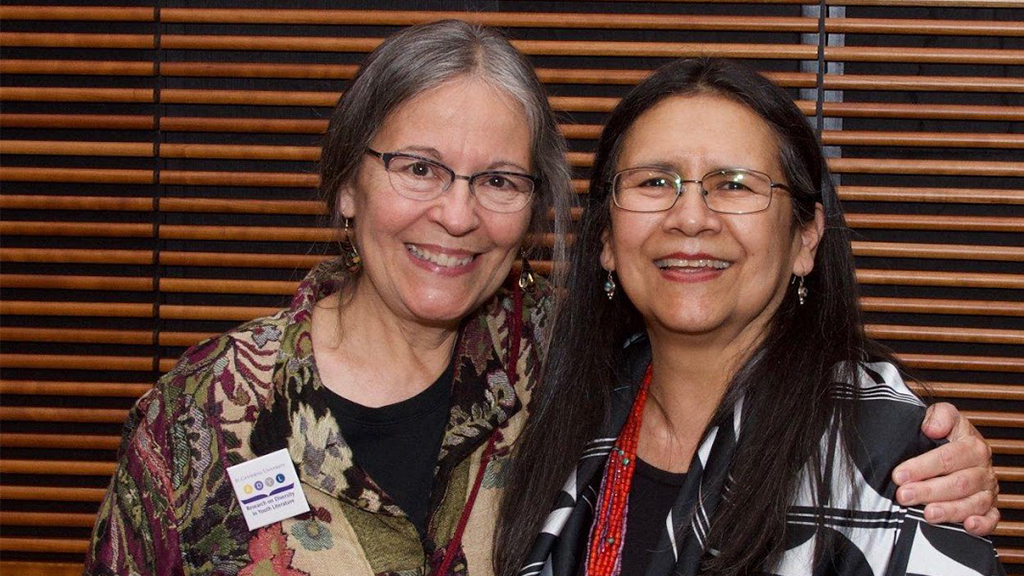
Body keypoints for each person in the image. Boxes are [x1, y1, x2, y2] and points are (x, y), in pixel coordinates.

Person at [86, 22, 996, 576]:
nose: (455, 213)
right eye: (417, 168)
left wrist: (919, 456)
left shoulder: (567, 367)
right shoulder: (198, 417)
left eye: (499, 181)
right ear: (346, 185)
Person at [497, 58, 1004, 576]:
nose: (691, 217)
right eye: (654, 181)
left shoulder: (893, 461)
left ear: (805, 239)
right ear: (606, 238)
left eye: (734, 184)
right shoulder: (550, 406)